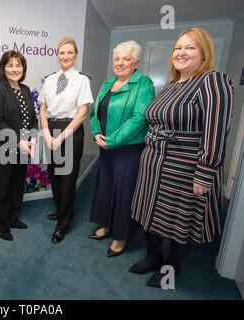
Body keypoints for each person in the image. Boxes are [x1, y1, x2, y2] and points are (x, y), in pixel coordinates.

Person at [129, 27, 233, 287]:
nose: (181, 52)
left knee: (178, 220)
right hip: (153, 161)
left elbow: (216, 130)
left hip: (185, 165)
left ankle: (171, 268)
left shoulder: (212, 80)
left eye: (190, 47)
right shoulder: (170, 85)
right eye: (178, 47)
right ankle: (153, 256)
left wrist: (206, 170)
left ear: (203, 53)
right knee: (149, 212)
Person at [88, 41, 155, 257]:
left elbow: (140, 118)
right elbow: (94, 112)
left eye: (126, 59)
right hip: (105, 145)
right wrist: (96, 132)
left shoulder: (143, 83)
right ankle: (106, 225)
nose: (120, 63)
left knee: (124, 192)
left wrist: (112, 140)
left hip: (128, 149)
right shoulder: (108, 83)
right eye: (117, 59)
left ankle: (121, 236)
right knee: (105, 187)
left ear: (136, 63)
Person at [38, 37, 94, 244]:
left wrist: (60, 137)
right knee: (54, 174)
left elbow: (82, 113)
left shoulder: (82, 80)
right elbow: (43, 109)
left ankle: (63, 224)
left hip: (70, 130)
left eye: (70, 52)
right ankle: (60, 210)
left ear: (76, 55)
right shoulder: (50, 79)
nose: (66, 56)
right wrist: (45, 133)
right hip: (49, 128)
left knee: (67, 179)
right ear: (57, 55)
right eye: (62, 52)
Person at [0, 50, 38, 241]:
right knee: (1, 188)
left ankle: (13, 218)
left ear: (23, 68)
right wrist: (18, 141)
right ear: (3, 68)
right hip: (2, 148)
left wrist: (32, 137)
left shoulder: (25, 89)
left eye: (18, 65)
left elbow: (32, 118)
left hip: (23, 148)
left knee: (17, 185)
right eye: (10, 65)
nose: (15, 69)